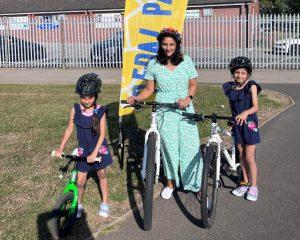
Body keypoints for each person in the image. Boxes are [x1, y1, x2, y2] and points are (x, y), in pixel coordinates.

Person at [127, 28, 203, 199]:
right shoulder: (153, 63)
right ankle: (171, 182)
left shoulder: (186, 61)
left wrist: (188, 98)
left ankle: (194, 182)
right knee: (169, 147)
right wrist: (136, 98)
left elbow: (192, 84)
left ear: (177, 45)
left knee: (189, 145)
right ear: (160, 45)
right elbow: (149, 89)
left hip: (184, 107)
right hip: (164, 108)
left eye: (171, 44)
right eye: (165, 44)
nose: (168, 47)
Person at [54, 73, 113, 217]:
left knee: (102, 174)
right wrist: (61, 147)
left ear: (96, 95)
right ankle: (78, 203)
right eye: (83, 97)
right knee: (80, 182)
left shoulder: (100, 112)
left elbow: (102, 135)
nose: (86, 100)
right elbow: (69, 129)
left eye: (90, 97)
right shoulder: (75, 110)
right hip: (83, 150)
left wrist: (94, 154)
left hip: (98, 149)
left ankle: (105, 202)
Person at [223, 56, 262, 201]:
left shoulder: (251, 86)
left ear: (248, 74)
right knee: (241, 157)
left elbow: (256, 106)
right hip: (237, 125)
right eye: (237, 72)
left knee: (249, 157)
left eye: (243, 73)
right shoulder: (230, 88)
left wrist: (245, 113)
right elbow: (233, 107)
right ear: (233, 73)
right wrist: (233, 119)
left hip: (249, 125)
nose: (240, 75)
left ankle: (254, 186)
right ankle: (244, 183)